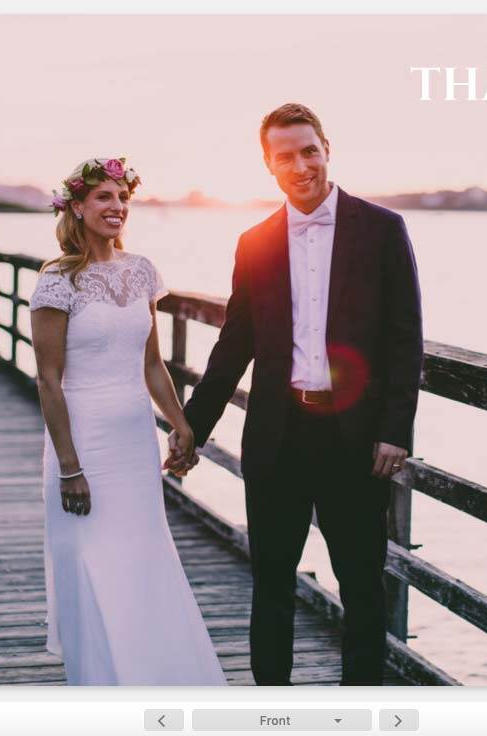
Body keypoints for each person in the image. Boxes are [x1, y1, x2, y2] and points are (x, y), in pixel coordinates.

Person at [176, 104, 424, 686]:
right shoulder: (254, 242)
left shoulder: (382, 229)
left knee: (362, 589)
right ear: (269, 165)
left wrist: (396, 429)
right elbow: (232, 348)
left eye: (308, 150)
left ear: (327, 149)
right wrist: (190, 429)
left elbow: (404, 338)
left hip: (357, 442)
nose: (300, 165)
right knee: (272, 587)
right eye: (285, 156)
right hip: (277, 437)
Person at [28, 157, 225, 686]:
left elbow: (151, 362)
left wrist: (180, 424)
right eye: (103, 198)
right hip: (82, 441)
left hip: (134, 438)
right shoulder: (56, 281)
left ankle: (150, 678)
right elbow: (48, 380)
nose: (116, 208)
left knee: (139, 559)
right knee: (92, 564)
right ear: (77, 206)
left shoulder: (141, 271)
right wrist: (69, 466)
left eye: (123, 199)